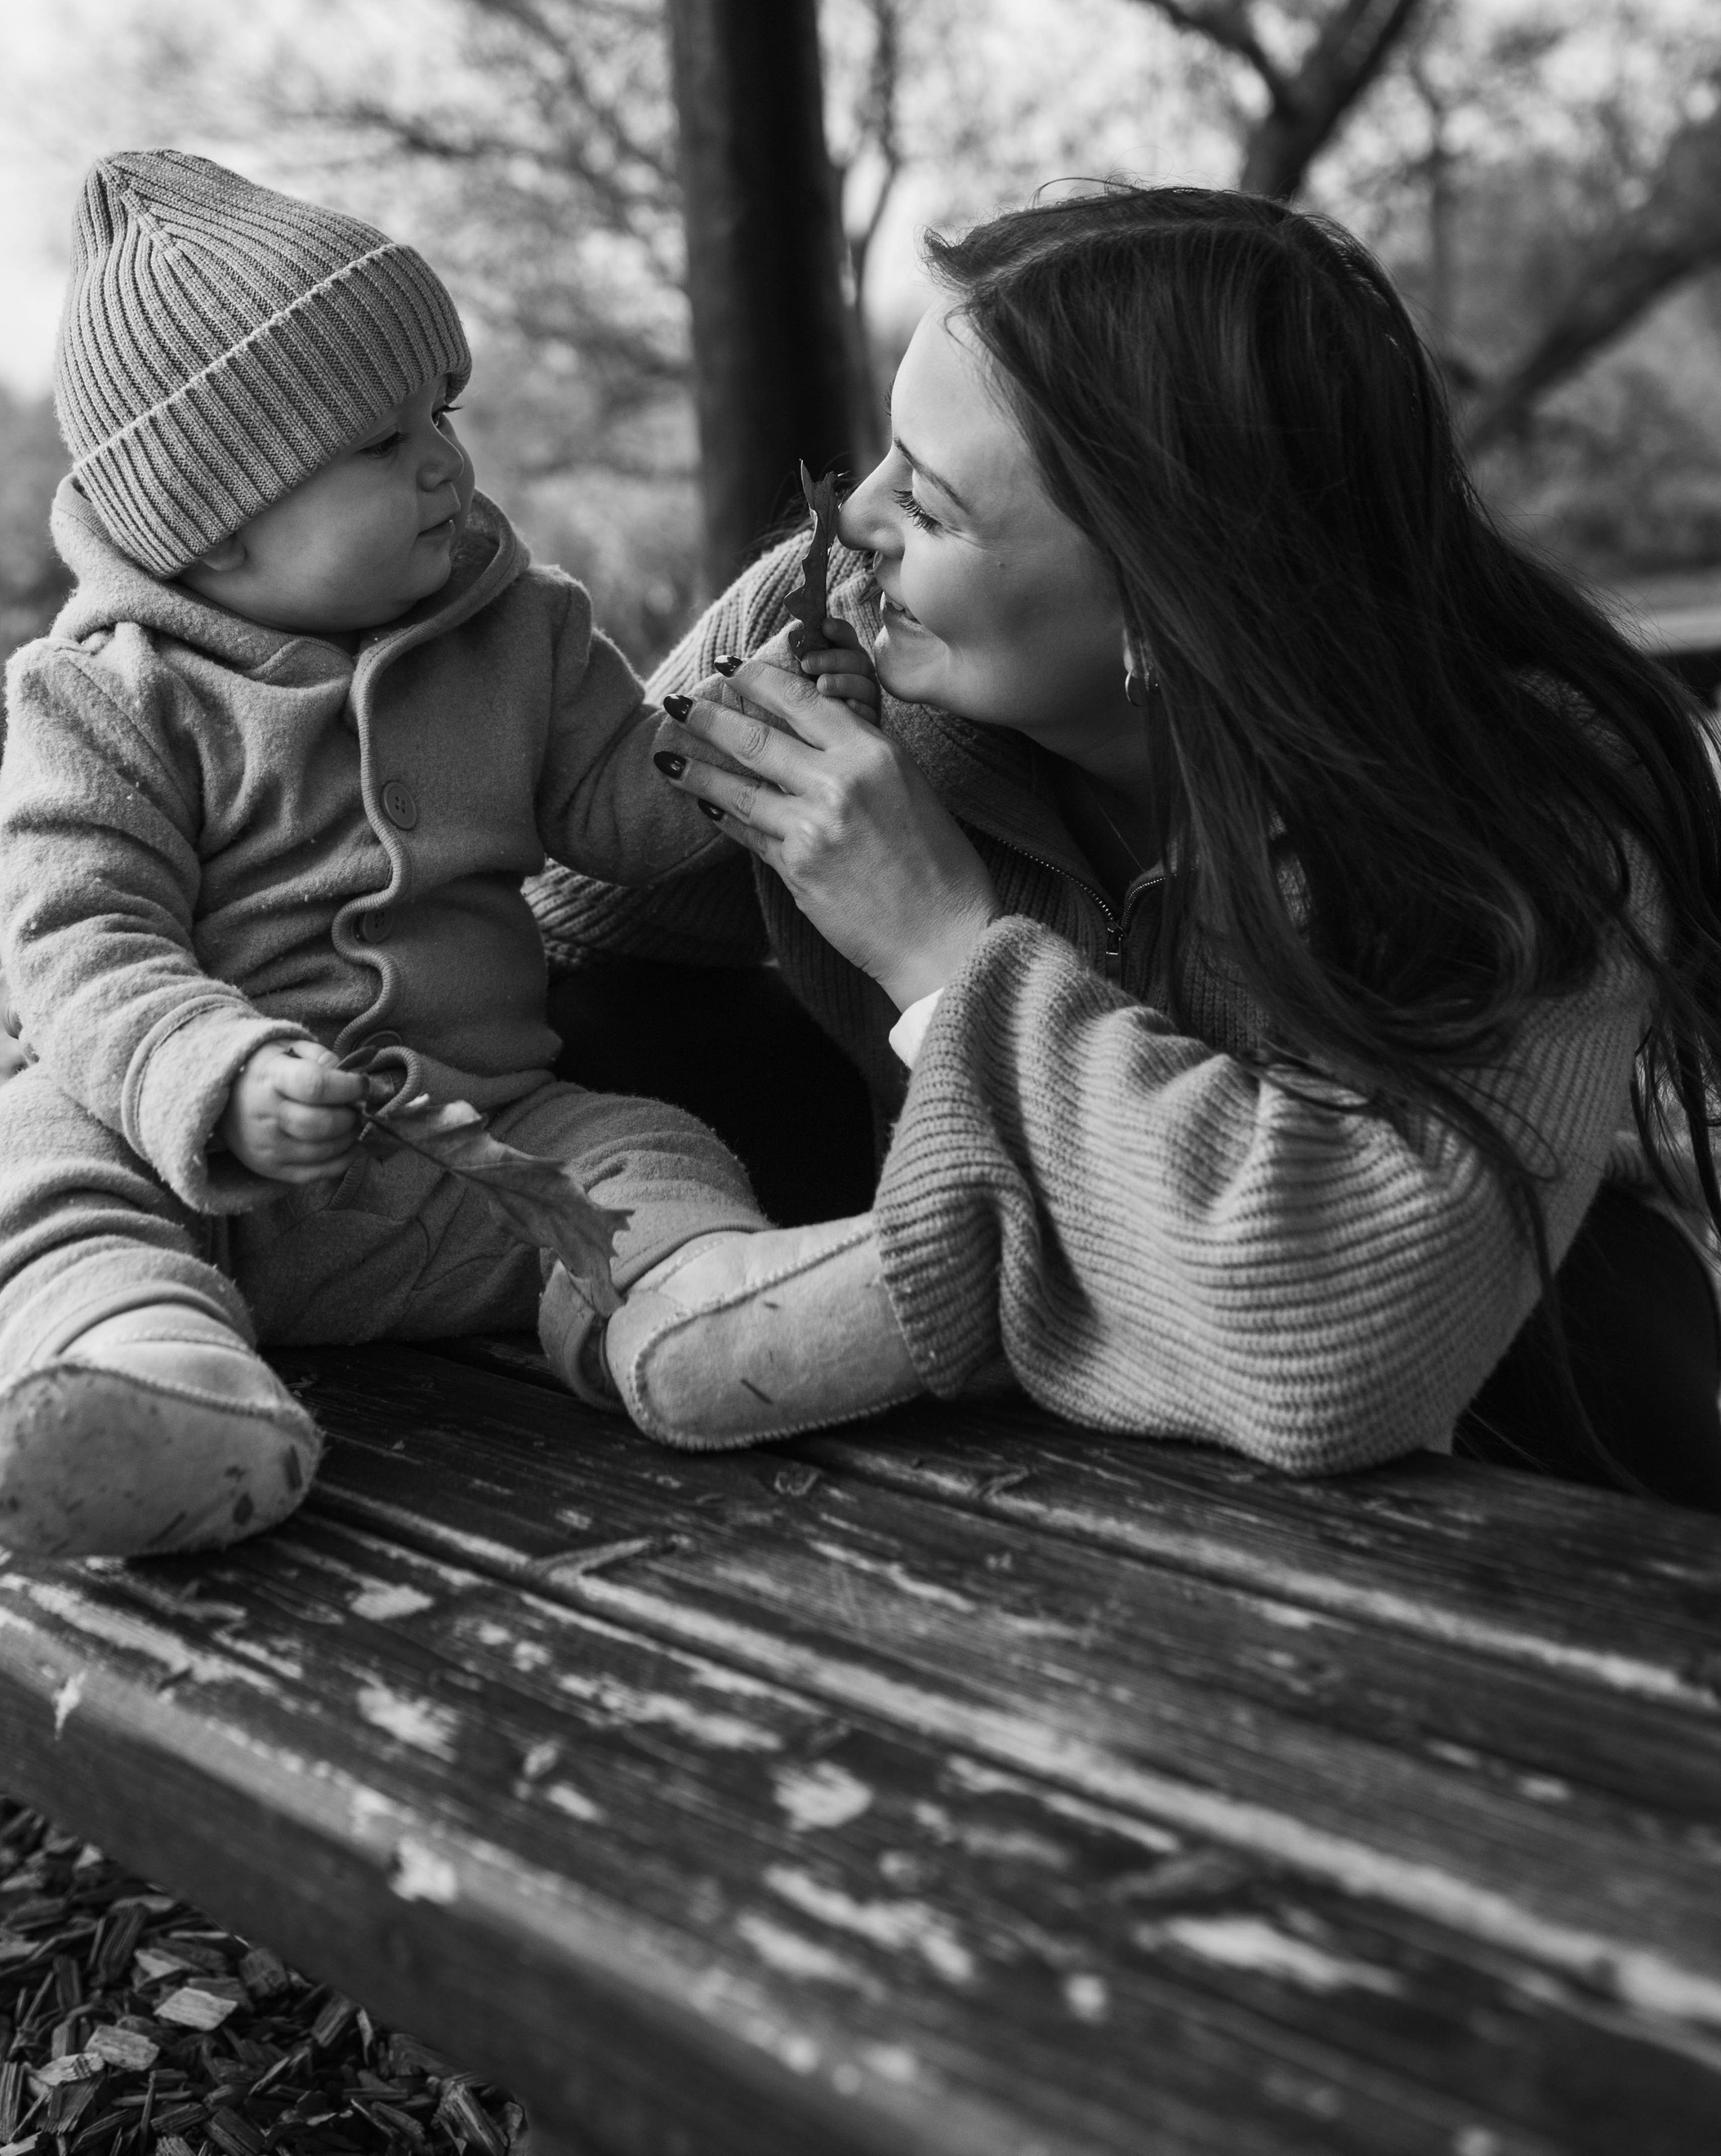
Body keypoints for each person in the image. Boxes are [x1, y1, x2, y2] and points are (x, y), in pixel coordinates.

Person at [537, 188, 1721, 1505]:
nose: (853, 517)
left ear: (1170, 605)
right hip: (1046, 1468)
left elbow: (1338, 1337)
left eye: (929, 507)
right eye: (883, 450)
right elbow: (525, 964)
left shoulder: (1516, 804)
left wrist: (943, 946)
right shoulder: (844, 632)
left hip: (1522, 1414)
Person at [0, 152, 763, 1560]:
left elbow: (632, 808)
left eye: (442, 409)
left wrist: (744, 739)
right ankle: (143, 1374)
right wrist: (215, 1074)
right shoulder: (107, 696)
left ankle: (705, 1316)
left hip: (488, 1165)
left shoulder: (523, 632)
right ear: (218, 521)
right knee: (9, 1155)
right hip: (198, 1192)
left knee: (643, 1145)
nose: (446, 458)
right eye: (379, 444)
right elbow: (73, 940)